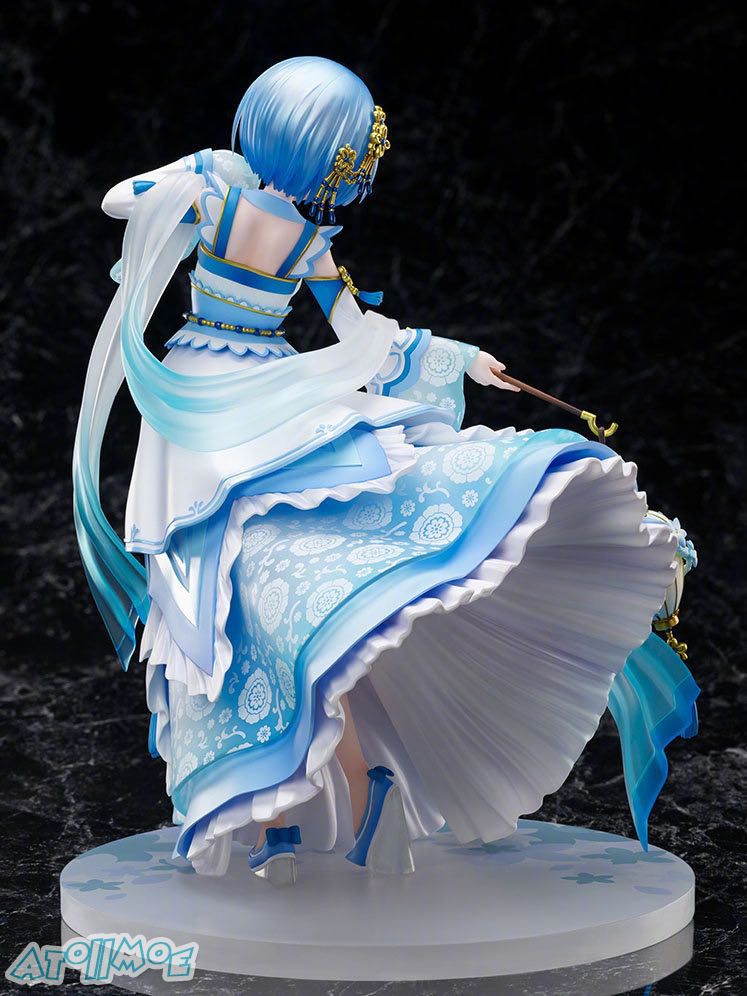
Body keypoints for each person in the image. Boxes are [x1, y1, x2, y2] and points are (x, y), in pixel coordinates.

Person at [73, 56, 698, 887]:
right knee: (246, 586)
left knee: (223, 591)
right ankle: (333, 799)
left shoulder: (213, 198)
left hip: (209, 397)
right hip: (253, 398)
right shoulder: (301, 238)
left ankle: (289, 817)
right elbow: (370, 336)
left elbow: (119, 199)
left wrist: (201, 166)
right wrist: (458, 358)